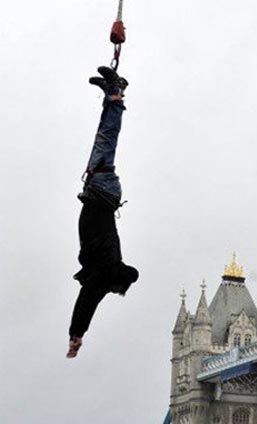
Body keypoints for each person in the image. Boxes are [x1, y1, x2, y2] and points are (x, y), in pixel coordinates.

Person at [67, 66, 139, 359]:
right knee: (107, 138)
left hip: (102, 192)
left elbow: (88, 303)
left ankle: (111, 94)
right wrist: (76, 335)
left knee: (103, 137)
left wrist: (77, 334)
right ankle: (116, 91)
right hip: (102, 190)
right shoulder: (101, 273)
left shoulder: (108, 268)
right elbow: (85, 304)